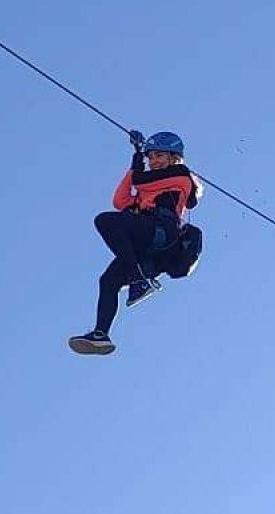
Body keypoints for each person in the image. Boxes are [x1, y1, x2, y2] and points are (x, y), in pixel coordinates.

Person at [69, 130, 203, 356]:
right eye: (151, 157)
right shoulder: (150, 185)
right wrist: (135, 164)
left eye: (159, 156)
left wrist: (137, 158)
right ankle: (101, 334)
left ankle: (139, 279)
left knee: (105, 220)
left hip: (161, 232)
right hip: (146, 244)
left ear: (174, 157)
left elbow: (141, 182)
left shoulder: (181, 175)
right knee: (108, 281)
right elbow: (120, 201)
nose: (153, 161)